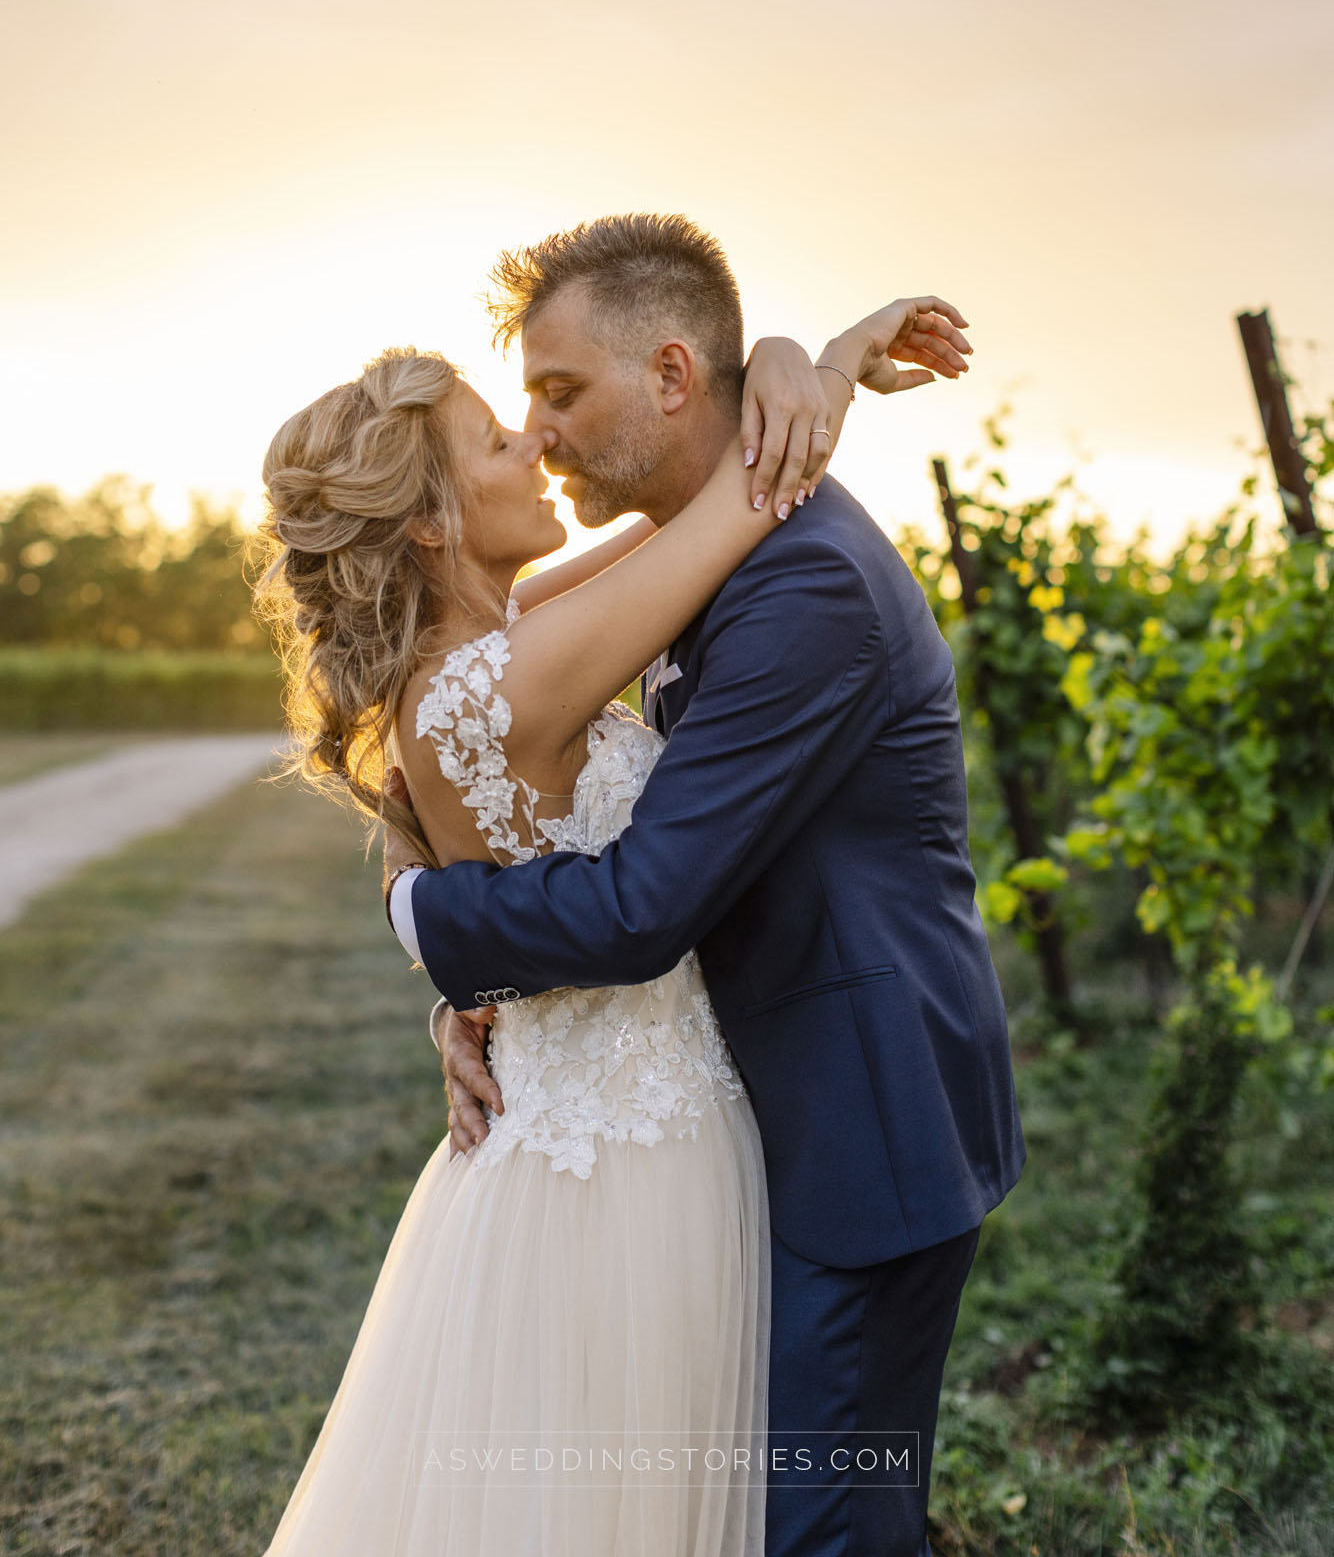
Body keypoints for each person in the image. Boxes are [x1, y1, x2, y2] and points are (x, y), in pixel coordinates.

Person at [252, 231, 962, 1556]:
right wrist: (826, 370)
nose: (531, 440)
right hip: (632, 1142)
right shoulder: (510, 670)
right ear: (428, 520)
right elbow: (739, 506)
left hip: (672, 1104)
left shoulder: (516, 638)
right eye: (497, 436)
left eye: (548, 402)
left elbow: (692, 521)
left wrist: (794, 364)